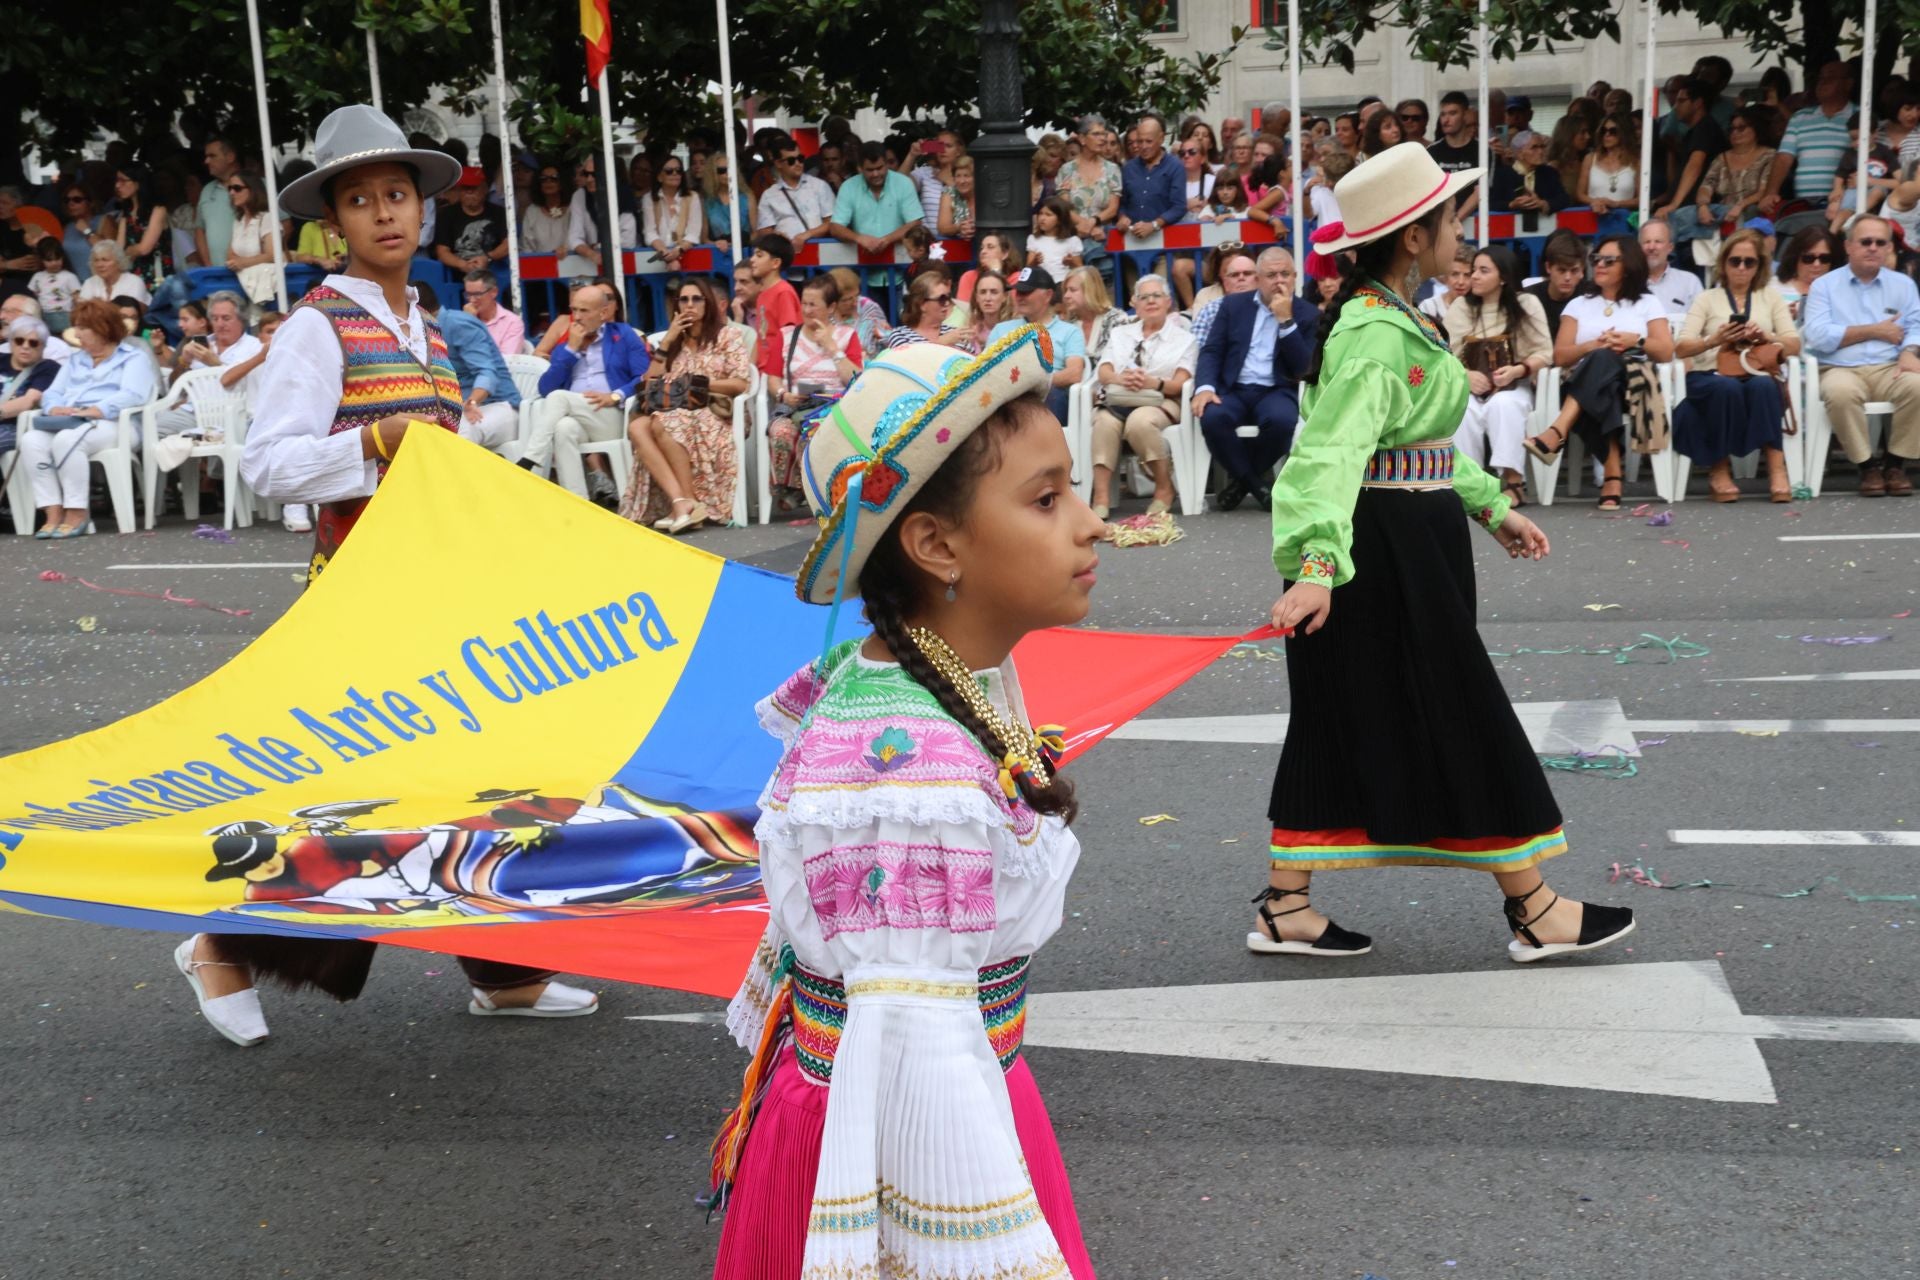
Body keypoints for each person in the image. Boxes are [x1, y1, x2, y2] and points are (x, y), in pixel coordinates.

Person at [709, 330, 1099, 1280]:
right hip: (903, 1128)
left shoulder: (928, 680)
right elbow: (910, 1048)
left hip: (933, 1083)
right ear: (934, 544)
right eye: (1047, 500)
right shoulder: (908, 774)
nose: (1092, 524)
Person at [222, 105, 598, 1041]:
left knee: (474, 776)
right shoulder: (317, 327)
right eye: (361, 200)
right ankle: (220, 947)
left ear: (422, 209)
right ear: (333, 223)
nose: (385, 212)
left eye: (397, 194)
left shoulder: (425, 324)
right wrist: (373, 440)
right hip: (359, 600)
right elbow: (268, 465)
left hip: (438, 592)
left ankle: (504, 970)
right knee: (364, 791)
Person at [1258, 141, 1631, 964]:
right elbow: (1328, 455)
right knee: (1459, 709)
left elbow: (1411, 446)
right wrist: (1317, 567)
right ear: (1414, 237)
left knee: (1344, 713)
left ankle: (1287, 904)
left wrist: (1489, 504)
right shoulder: (1375, 334)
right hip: (1379, 552)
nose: (1463, 236)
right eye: (1454, 222)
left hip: (1402, 542)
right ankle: (1534, 906)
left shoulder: (1393, 317)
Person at [1523, 233, 1676, 510]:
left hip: (1633, 382)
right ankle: (1613, 474)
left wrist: (1634, 341)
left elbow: (1665, 351)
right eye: (1596, 259)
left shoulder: (1647, 302)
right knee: (1601, 375)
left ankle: (1558, 429)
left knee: (1603, 363)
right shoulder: (1579, 304)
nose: (1599, 265)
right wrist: (1592, 345)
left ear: (1628, 265)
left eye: (1609, 260)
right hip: (1589, 383)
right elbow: (1560, 355)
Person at [1670, 229, 1801, 502]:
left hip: (1754, 370)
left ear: (1759, 266)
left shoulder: (1770, 297)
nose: (1741, 268)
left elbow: (1793, 344)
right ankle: (1719, 469)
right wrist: (1714, 339)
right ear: (1724, 263)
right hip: (1710, 374)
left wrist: (1765, 337)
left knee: (1765, 386)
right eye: (1735, 261)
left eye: (1749, 262)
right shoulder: (1707, 298)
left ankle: (1777, 470)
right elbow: (1681, 347)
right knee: (1725, 388)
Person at [620, 274, 751, 533]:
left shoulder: (727, 335)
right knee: (637, 427)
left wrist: (697, 383)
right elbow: (650, 383)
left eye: (696, 299)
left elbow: (740, 384)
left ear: (707, 303)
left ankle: (686, 502)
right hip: (673, 410)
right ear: (677, 305)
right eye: (684, 300)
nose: (690, 305)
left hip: (716, 412)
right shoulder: (673, 342)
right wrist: (667, 341)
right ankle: (681, 502)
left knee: (662, 421)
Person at [17, 298, 154, 538]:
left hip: (115, 424)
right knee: (31, 440)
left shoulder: (133, 357)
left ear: (103, 328)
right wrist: (54, 408)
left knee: (67, 440)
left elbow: (134, 394)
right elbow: (52, 393)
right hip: (71, 421)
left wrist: (96, 409)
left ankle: (77, 511)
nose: (76, 334)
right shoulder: (75, 359)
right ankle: (52, 511)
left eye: (82, 328)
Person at [1191, 246, 1316, 511]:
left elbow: (1304, 368)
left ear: (1295, 277)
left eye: (1285, 274)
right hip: (1234, 388)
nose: (1279, 281)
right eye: (1271, 275)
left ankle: (1241, 484)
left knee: (1282, 422)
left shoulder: (1308, 313)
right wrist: (1204, 387)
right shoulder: (1233, 305)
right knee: (1212, 417)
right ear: (1258, 279)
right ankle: (1257, 485)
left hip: (1277, 389)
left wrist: (1286, 321)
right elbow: (1212, 350)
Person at [1802, 216, 1920, 496]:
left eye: (1880, 242)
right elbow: (1818, 335)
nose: (1873, 248)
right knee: (1839, 392)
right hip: (1839, 367)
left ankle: (1895, 464)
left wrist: (1909, 351)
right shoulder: (1824, 285)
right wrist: (1874, 331)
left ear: (1889, 247)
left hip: (1889, 366)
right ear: (1848, 247)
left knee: (1918, 386)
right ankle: (1866, 467)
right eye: (1866, 241)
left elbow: (1916, 325)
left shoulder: (1903, 284)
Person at [525, 280, 652, 503]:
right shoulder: (567, 343)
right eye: (574, 310)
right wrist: (571, 350)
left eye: (584, 311)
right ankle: (577, 503)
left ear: (603, 313)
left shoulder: (623, 334)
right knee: (564, 429)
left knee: (559, 398)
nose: (577, 317)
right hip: (578, 416)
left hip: (612, 416)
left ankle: (530, 459)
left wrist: (615, 395)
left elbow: (644, 378)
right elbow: (545, 388)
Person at [1449, 246, 1555, 507]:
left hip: (1513, 386)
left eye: (1483, 271)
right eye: (1474, 270)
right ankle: (1471, 485)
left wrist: (1517, 370)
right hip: (1471, 387)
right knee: (1463, 410)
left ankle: (1513, 482)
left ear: (1504, 277)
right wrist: (1465, 375)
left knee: (1504, 405)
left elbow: (1545, 353)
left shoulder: (1525, 304)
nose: (1474, 276)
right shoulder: (1462, 306)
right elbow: (1443, 354)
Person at [1089, 272, 1194, 519]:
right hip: (1121, 397)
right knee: (1103, 422)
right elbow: (1104, 371)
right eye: (1144, 297)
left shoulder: (1184, 339)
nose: (1151, 301)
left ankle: (1164, 488)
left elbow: (1181, 383)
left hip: (1163, 399)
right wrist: (1121, 379)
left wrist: (1153, 383)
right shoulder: (1121, 333)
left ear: (1168, 301)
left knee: (1139, 422)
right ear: (1135, 304)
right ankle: (1101, 497)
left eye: (1157, 295)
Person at [766, 273, 863, 515]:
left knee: (815, 432)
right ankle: (796, 490)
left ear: (830, 307)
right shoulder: (787, 336)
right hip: (795, 407)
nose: (807, 310)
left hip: (834, 409)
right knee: (781, 432)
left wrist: (833, 349)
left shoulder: (846, 336)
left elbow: (856, 379)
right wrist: (783, 394)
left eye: (813, 305)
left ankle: (815, 495)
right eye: (804, 303)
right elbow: (772, 377)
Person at [412, 279, 520, 454]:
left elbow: (487, 372)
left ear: (415, 310)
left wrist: (473, 401)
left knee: (461, 428)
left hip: (498, 406)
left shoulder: (458, 325)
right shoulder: (419, 333)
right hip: (458, 409)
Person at [1760, 62, 1856, 230]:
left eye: (1830, 78)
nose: (1822, 82)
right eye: (1821, 78)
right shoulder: (1800, 117)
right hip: (1803, 205)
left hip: (1841, 207)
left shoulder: (1861, 116)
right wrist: (1771, 193)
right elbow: (1784, 157)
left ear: (1848, 84)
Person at [987, 268, 1087, 425]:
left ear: (1048, 295)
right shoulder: (1001, 330)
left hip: (1047, 396)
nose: (1020, 297)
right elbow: (986, 371)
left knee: (1054, 395)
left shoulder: (1069, 332)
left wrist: (1034, 382)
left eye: (1026, 292)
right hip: (1007, 396)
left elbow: (1074, 373)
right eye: (1018, 292)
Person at [1684, 107, 1776, 243]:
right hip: (1724, 219)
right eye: (1731, 129)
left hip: (1755, 218)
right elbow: (1706, 186)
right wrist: (1702, 206)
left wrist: (1740, 206)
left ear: (1756, 129)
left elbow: (1765, 190)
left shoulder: (1770, 155)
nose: (1735, 133)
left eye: (1741, 128)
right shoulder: (1721, 158)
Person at [1654, 77, 1731, 239]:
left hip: (1697, 213)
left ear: (1697, 103)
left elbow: (1695, 165)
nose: (1675, 106)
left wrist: (1674, 204)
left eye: (1682, 101)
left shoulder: (1705, 128)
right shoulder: (1696, 130)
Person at [828, 142, 923, 256]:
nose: (875, 174)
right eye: (870, 170)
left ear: (886, 164)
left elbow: (915, 223)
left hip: (902, 261)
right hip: (861, 262)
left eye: (879, 168)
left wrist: (886, 240)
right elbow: (835, 227)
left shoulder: (904, 183)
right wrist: (859, 238)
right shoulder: (848, 187)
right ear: (860, 168)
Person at [1117, 113, 1185, 249]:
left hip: (1164, 245)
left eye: (1149, 141)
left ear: (1161, 139)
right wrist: (1122, 217)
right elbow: (1122, 202)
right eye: (1140, 141)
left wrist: (1154, 225)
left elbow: (1179, 206)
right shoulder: (1129, 168)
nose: (1143, 146)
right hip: (1131, 245)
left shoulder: (1175, 166)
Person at [1058, 115, 1123, 256]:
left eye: (1104, 134)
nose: (1103, 139)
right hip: (1072, 238)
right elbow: (1064, 207)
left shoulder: (1112, 169)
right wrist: (1087, 227)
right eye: (1096, 134)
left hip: (1103, 239)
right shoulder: (1066, 170)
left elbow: (1113, 209)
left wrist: (1093, 222)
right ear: (1082, 139)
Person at [745, 231, 802, 383]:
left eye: (759, 255)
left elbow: (788, 336)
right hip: (763, 372)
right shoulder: (762, 294)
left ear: (775, 263)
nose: (752, 260)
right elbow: (761, 336)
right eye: (753, 255)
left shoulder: (783, 292)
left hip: (778, 374)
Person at [1, 315, 61, 457]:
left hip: (15, 426)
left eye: (33, 343)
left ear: (43, 346)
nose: (25, 346)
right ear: (11, 342)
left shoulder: (48, 368)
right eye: (19, 341)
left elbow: (29, 401)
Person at [106, 163, 171, 292]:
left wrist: (129, 250)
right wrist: (129, 252)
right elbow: (118, 249)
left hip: (157, 277)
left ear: (138, 183)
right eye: (117, 180)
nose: (117, 185)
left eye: (123, 180)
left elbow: (144, 248)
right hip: (132, 279)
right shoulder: (126, 214)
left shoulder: (158, 210)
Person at [223, 173, 283, 308]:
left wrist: (242, 262)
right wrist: (239, 262)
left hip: (270, 292)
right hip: (244, 289)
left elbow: (273, 255)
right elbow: (230, 255)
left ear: (253, 190)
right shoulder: (238, 221)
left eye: (237, 188)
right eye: (230, 188)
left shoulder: (267, 218)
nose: (232, 192)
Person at [1575, 113, 1639, 238]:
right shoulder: (1590, 158)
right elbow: (1580, 194)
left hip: (1623, 223)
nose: (1607, 135)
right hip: (1593, 220)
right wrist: (1596, 202)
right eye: (1603, 131)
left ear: (1623, 133)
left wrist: (1616, 204)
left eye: (1612, 131)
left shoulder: (1636, 161)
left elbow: (1641, 198)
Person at [641, 155, 706, 271]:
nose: (675, 173)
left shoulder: (693, 197)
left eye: (678, 170)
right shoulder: (648, 198)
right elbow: (650, 232)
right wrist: (665, 252)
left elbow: (693, 233)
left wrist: (677, 251)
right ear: (659, 177)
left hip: (688, 257)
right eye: (669, 171)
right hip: (657, 257)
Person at [1490, 131, 1571, 218]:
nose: (1541, 152)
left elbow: (1564, 199)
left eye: (1542, 147)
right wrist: (1512, 204)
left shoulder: (1550, 173)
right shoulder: (1502, 175)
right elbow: (1491, 203)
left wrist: (1543, 204)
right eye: (1534, 148)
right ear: (1520, 153)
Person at [195, 137, 242, 277]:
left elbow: (285, 225)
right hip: (217, 276)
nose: (206, 161)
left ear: (230, 157)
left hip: (253, 275)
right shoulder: (206, 190)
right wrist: (209, 267)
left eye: (212, 156)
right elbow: (199, 230)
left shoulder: (258, 186)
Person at [878, 270, 961, 350]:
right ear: (921, 304)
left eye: (948, 298)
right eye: (941, 299)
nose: (947, 303)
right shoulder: (900, 335)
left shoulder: (955, 333)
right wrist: (941, 342)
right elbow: (911, 358)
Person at [1525, 230, 1587, 334]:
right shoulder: (1529, 298)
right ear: (1548, 267)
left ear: (1582, 271)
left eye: (1574, 271)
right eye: (1561, 270)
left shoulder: (1592, 296)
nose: (1567, 277)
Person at [1189, 248, 1258, 342]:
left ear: (1258, 278)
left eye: (1247, 273)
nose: (1241, 278)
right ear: (1224, 280)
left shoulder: (1268, 306)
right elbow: (1198, 345)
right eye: (1234, 274)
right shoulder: (1210, 310)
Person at [1639, 218, 1703, 319]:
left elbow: (1701, 320)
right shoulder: (1627, 283)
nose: (1651, 247)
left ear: (1670, 247)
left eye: (1658, 241)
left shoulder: (1690, 282)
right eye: (1647, 242)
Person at [1776, 225, 1842, 320]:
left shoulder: (1842, 291)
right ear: (1795, 258)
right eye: (1808, 258)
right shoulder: (1771, 288)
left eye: (1824, 258)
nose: (1817, 264)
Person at [461, 268, 525, 357]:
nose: (472, 300)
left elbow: (506, 360)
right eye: (468, 294)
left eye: (477, 294)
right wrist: (467, 323)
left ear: (494, 292)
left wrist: (472, 324)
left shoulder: (512, 322)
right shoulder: (462, 320)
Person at [700, 152, 755, 256]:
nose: (728, 173)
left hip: (745, 251)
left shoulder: (747, 197)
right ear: (712, 174)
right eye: (722, 170)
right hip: (719, 253)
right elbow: (704, 239)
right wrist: (716, 244)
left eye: (731, 169)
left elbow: (756, 233)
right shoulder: (707, 201)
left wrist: (740, 243)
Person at [827, 264, 888, 354]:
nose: (855, 302)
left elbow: (887, 338)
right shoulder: (825, 313)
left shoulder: (868, 307)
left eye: (856, 295)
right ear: (833, 302)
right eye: (847, 300)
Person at [955, 266, 1013, 353]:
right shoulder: (970, 331)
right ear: (977, 297)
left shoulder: (1015, 328)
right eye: (983, 292)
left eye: (994, 292)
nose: (988, 298)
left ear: (1004, 296)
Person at [29, 239, 81, 334]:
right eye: (49, 260)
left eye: (57, 259)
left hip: (66, 316)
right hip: (44, 317)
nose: (54, 263)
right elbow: (33, 298)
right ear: (41, 260)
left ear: (62, 257)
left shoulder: (70, 276)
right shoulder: (37, 277)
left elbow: (77, 299)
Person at [519, 164, 574, 255]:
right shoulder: (532, 211)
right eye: (543, 179)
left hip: (571, 260)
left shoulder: (573, 209)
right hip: (539, 262)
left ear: (562, 182)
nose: (548, 181)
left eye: (554, 178)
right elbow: (526, 247)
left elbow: (579, 241)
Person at [78, 241, 150, 307]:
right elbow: (82, 311)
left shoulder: (134, 282)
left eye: (105, 260)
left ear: (119, 262)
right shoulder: (89, 283)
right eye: (96, 260)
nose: (100, 265)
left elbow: (130, 311)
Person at [1026, 198, 1083, 279]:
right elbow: (1028, 268)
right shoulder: (1034, 239)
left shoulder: (1072, 241)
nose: (1042, 218)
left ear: (1060, 219)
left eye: (1048, 215)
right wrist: (1035, 262)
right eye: (1040, 213)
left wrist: (1071, 262)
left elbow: (1081, 269)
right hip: (1041, 281)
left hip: (1063, 281)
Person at [1419, 246, 1473, 322]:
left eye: (1467, 275)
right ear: (1445, 277)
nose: (1461, 282)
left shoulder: (1481, 309)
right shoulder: (1428, 307)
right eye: (1455, 274)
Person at [937, 155, 976, 241]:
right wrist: (959, 227)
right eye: (958, 176)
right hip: (957, 243)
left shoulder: (985, 193)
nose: (962, 181)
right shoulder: (949, 193)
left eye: (966, 176)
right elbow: (942, 228)